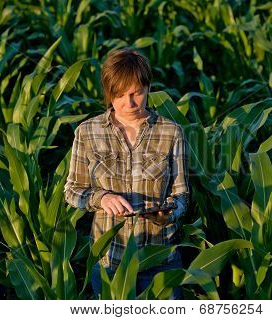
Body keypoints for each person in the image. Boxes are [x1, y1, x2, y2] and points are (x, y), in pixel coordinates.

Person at [64, 48, 190, 299]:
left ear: (148, 88)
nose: (129, 103)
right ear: (108, 92)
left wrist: (170, 213)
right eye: (120, 95)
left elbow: (182, 194)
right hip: (110, 261)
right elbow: (72, 190)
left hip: (160, 260)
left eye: (136, 94)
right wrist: (102, 198)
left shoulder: (170, 132)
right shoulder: (87, 132)